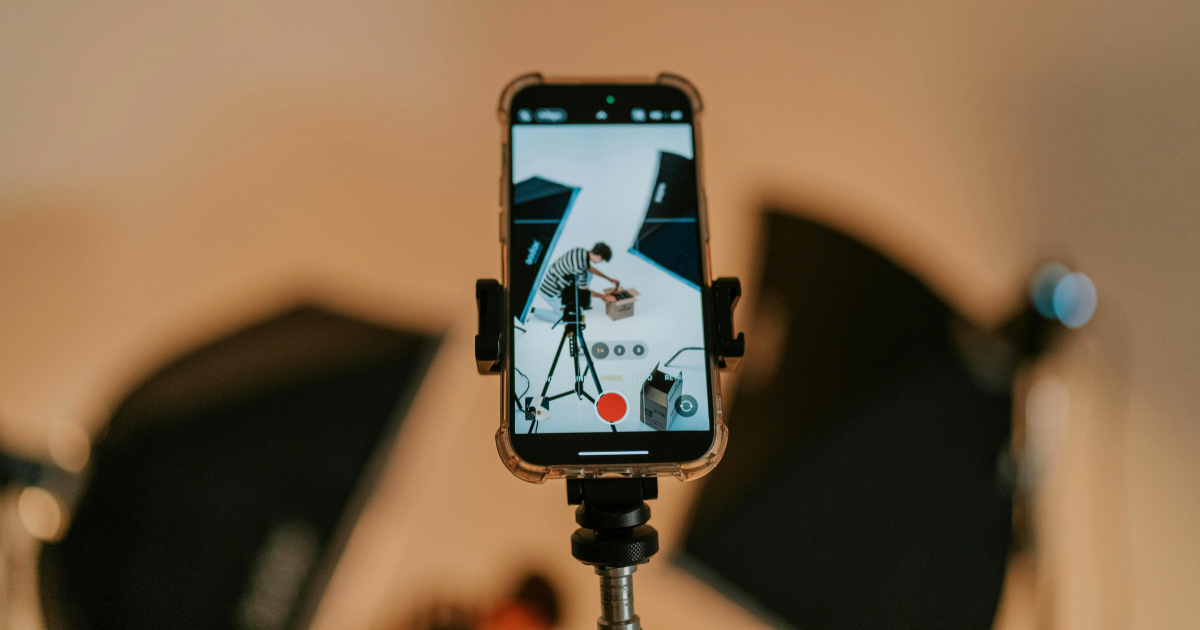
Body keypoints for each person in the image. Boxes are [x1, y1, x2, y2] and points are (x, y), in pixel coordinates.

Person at [531, 242, 620, 322]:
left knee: (589, 274)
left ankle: (580, 300)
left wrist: (609, 279)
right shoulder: (580, 267)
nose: (601, 262)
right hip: (550, 291)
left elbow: (589, 268)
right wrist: (604, 296)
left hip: (555, 279)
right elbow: (584, 291)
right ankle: (533, 311)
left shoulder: (581, 252)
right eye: (602, 260)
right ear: (599, 256)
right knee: (564, 319)